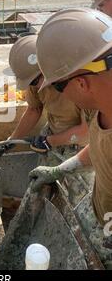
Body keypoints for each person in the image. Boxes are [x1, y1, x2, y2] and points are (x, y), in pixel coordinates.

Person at [29, 8, 112, 268]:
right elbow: (98, 147)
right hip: (97, 208)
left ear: (81, 83)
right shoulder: (101, 105)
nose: (60, 95)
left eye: (58, 86)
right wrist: (59, 169)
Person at [7, 34, 92, 206]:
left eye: (37, 80)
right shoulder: (34, 80)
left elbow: (85, 133)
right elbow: (34, 109)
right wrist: (11, 141)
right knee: (41, 183)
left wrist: (49, 141)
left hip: (81, 148)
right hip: (53, 133)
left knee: (79, 200)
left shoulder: (80, 80)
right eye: (32, 82)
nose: (36, 86)